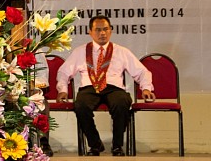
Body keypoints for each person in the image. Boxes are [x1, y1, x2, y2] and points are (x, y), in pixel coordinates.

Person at [56, 15, 155, 157]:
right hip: (89, 88)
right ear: (90, 32)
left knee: (122, 103)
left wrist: (146, 88)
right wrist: (63, 90)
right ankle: (95, 144)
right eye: (98, 30)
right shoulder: (80, 51)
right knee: (80, 105)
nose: (102, 33)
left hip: (114, 88)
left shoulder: (122, 51)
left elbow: (141, 71)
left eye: (105, 29)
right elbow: (63, 72)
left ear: (111, 31)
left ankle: (117, 146)